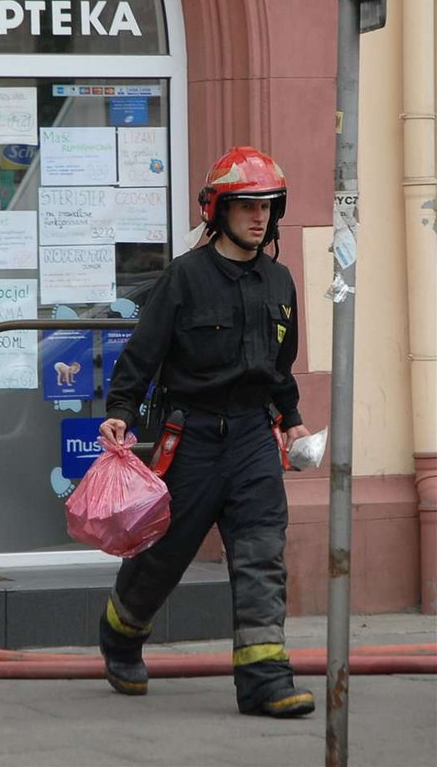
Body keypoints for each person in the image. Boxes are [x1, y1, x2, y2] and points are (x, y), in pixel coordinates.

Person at [98, 146, 316, 718]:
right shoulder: (185, 277)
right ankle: (121, 634)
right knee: (164, 557)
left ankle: (265, 680)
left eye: (267, 206)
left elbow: (279, 367)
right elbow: (143, 354)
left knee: (262, 554)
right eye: (246, 205)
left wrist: (291, 421)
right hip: (191, 438)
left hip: (251, 438)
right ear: (219, 210)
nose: (258, 217)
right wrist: (120, 408)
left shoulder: (280, 282)